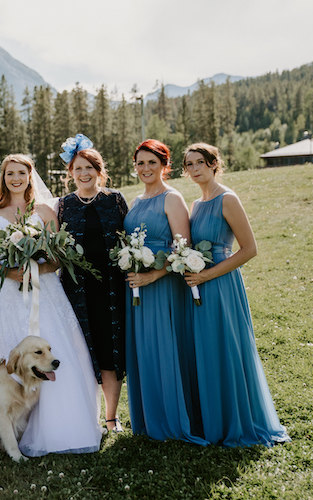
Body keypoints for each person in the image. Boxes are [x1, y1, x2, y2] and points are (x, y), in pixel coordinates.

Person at [0, 154, 102, 456]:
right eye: (10, 173)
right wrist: (12, 272)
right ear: (3, 178)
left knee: (52, 349)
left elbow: (58, 257)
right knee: (9, 354)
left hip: (43, 292)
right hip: (6, 296)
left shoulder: (45, 210)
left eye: (21, 172)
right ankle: (5, 427)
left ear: (30, 177)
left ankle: (58, 427)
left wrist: (34, 270)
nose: (16, 178)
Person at [183, 143, 290, 447]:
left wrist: (206, 274)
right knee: (207, 349)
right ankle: (213, 418)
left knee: (228, 348)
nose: (194, 169)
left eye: (200, 163)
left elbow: (250, 250)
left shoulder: (227, 199)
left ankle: (238, 420)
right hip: (199, 285)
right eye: (189, 165)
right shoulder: (195, 204)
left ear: (214, 164)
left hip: (222, 284)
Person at [124, 139, 207, 445]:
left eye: (151, 163)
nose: (145, 169)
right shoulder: (135, 201)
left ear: (164, 166)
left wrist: (153, 276)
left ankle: (173, 419)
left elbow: (182, 250)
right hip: (136, 286)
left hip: (163, 286)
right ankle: (149, 418)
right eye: (140, 163)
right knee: (144, 348)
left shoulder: (172, 199)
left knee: (164, 347)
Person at [56, 136, 128, 433]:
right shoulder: (63, 205)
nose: (84, 174)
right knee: (83, 352)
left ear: (100, 171)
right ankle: (88, 416)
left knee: (111, 352)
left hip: (112, 288)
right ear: (70, 173)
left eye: (89, 168)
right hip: (76, 290)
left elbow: (128, 239)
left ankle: (111, 418)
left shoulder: (114, 200)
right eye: (78, 168)